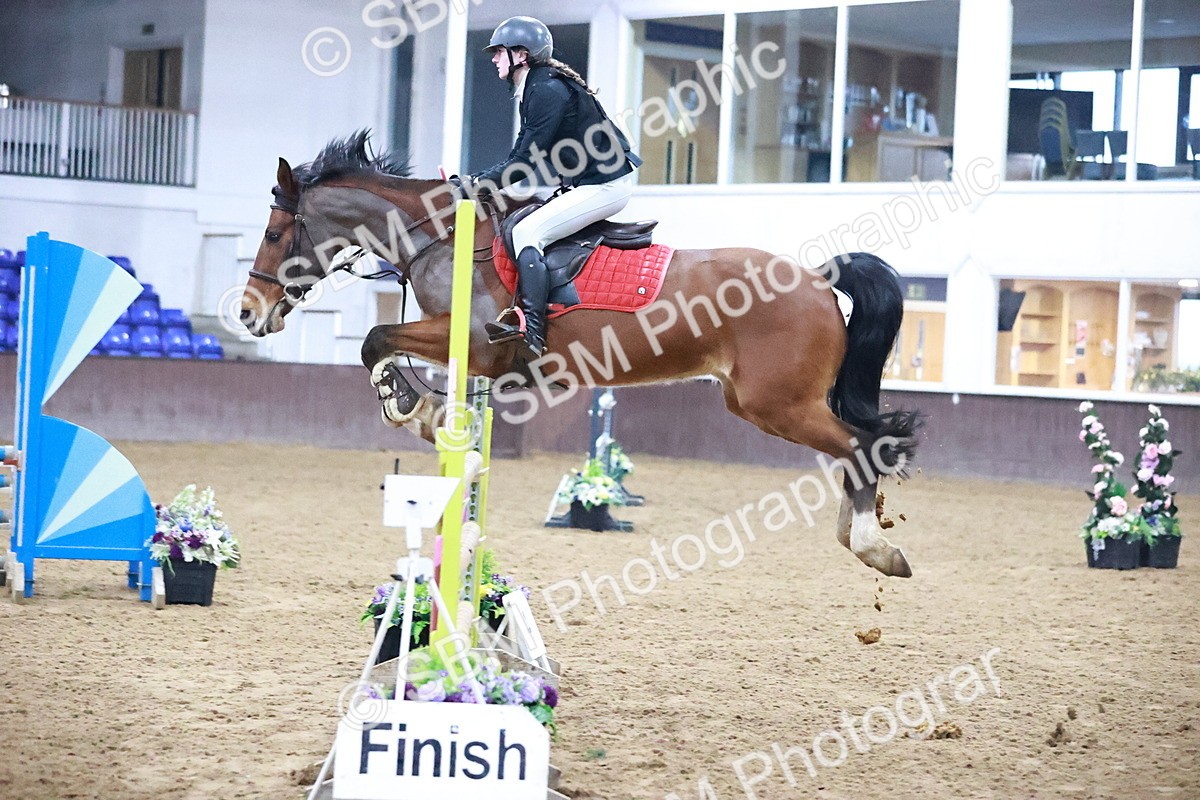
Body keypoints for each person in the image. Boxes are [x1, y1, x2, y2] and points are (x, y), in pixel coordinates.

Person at [457, 15, 642, 361]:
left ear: (521, 55)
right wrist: (476, 181)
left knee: (527, 232)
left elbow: (524, 163)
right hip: (589, 184)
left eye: (499, 52)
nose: (494, 58)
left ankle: (533, 331)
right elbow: (519, 156)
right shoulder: (536, 86)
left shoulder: (546, 90)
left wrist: (477, 183)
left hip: (605, 188)